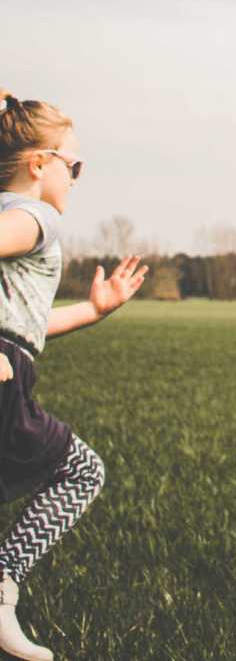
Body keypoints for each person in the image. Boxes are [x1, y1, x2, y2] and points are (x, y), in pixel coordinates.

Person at [0, 89, 148, 661]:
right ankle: (3, 584)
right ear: (39, 164)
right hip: (6, 388)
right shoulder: (35, 217)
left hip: (13, 361)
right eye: (74, 165)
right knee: (82, 471)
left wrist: (94, 310)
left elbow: (22, 328)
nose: (76, 178)